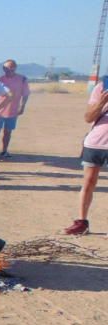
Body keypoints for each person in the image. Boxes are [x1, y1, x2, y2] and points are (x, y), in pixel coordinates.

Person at [63, 79, 108, 235]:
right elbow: (88, 117)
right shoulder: (102, 87)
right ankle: (82, 223)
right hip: (96, 143)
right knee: (88, 183)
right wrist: (102, 102)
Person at [0, 59, 30, 158]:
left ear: (15, 67)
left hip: (13, 111)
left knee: (8, 132)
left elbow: (25, 94)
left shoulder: (22, 79)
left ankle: (4, 150)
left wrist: (22, 106)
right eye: (5, 67)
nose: (8, 69)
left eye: (11, 67)